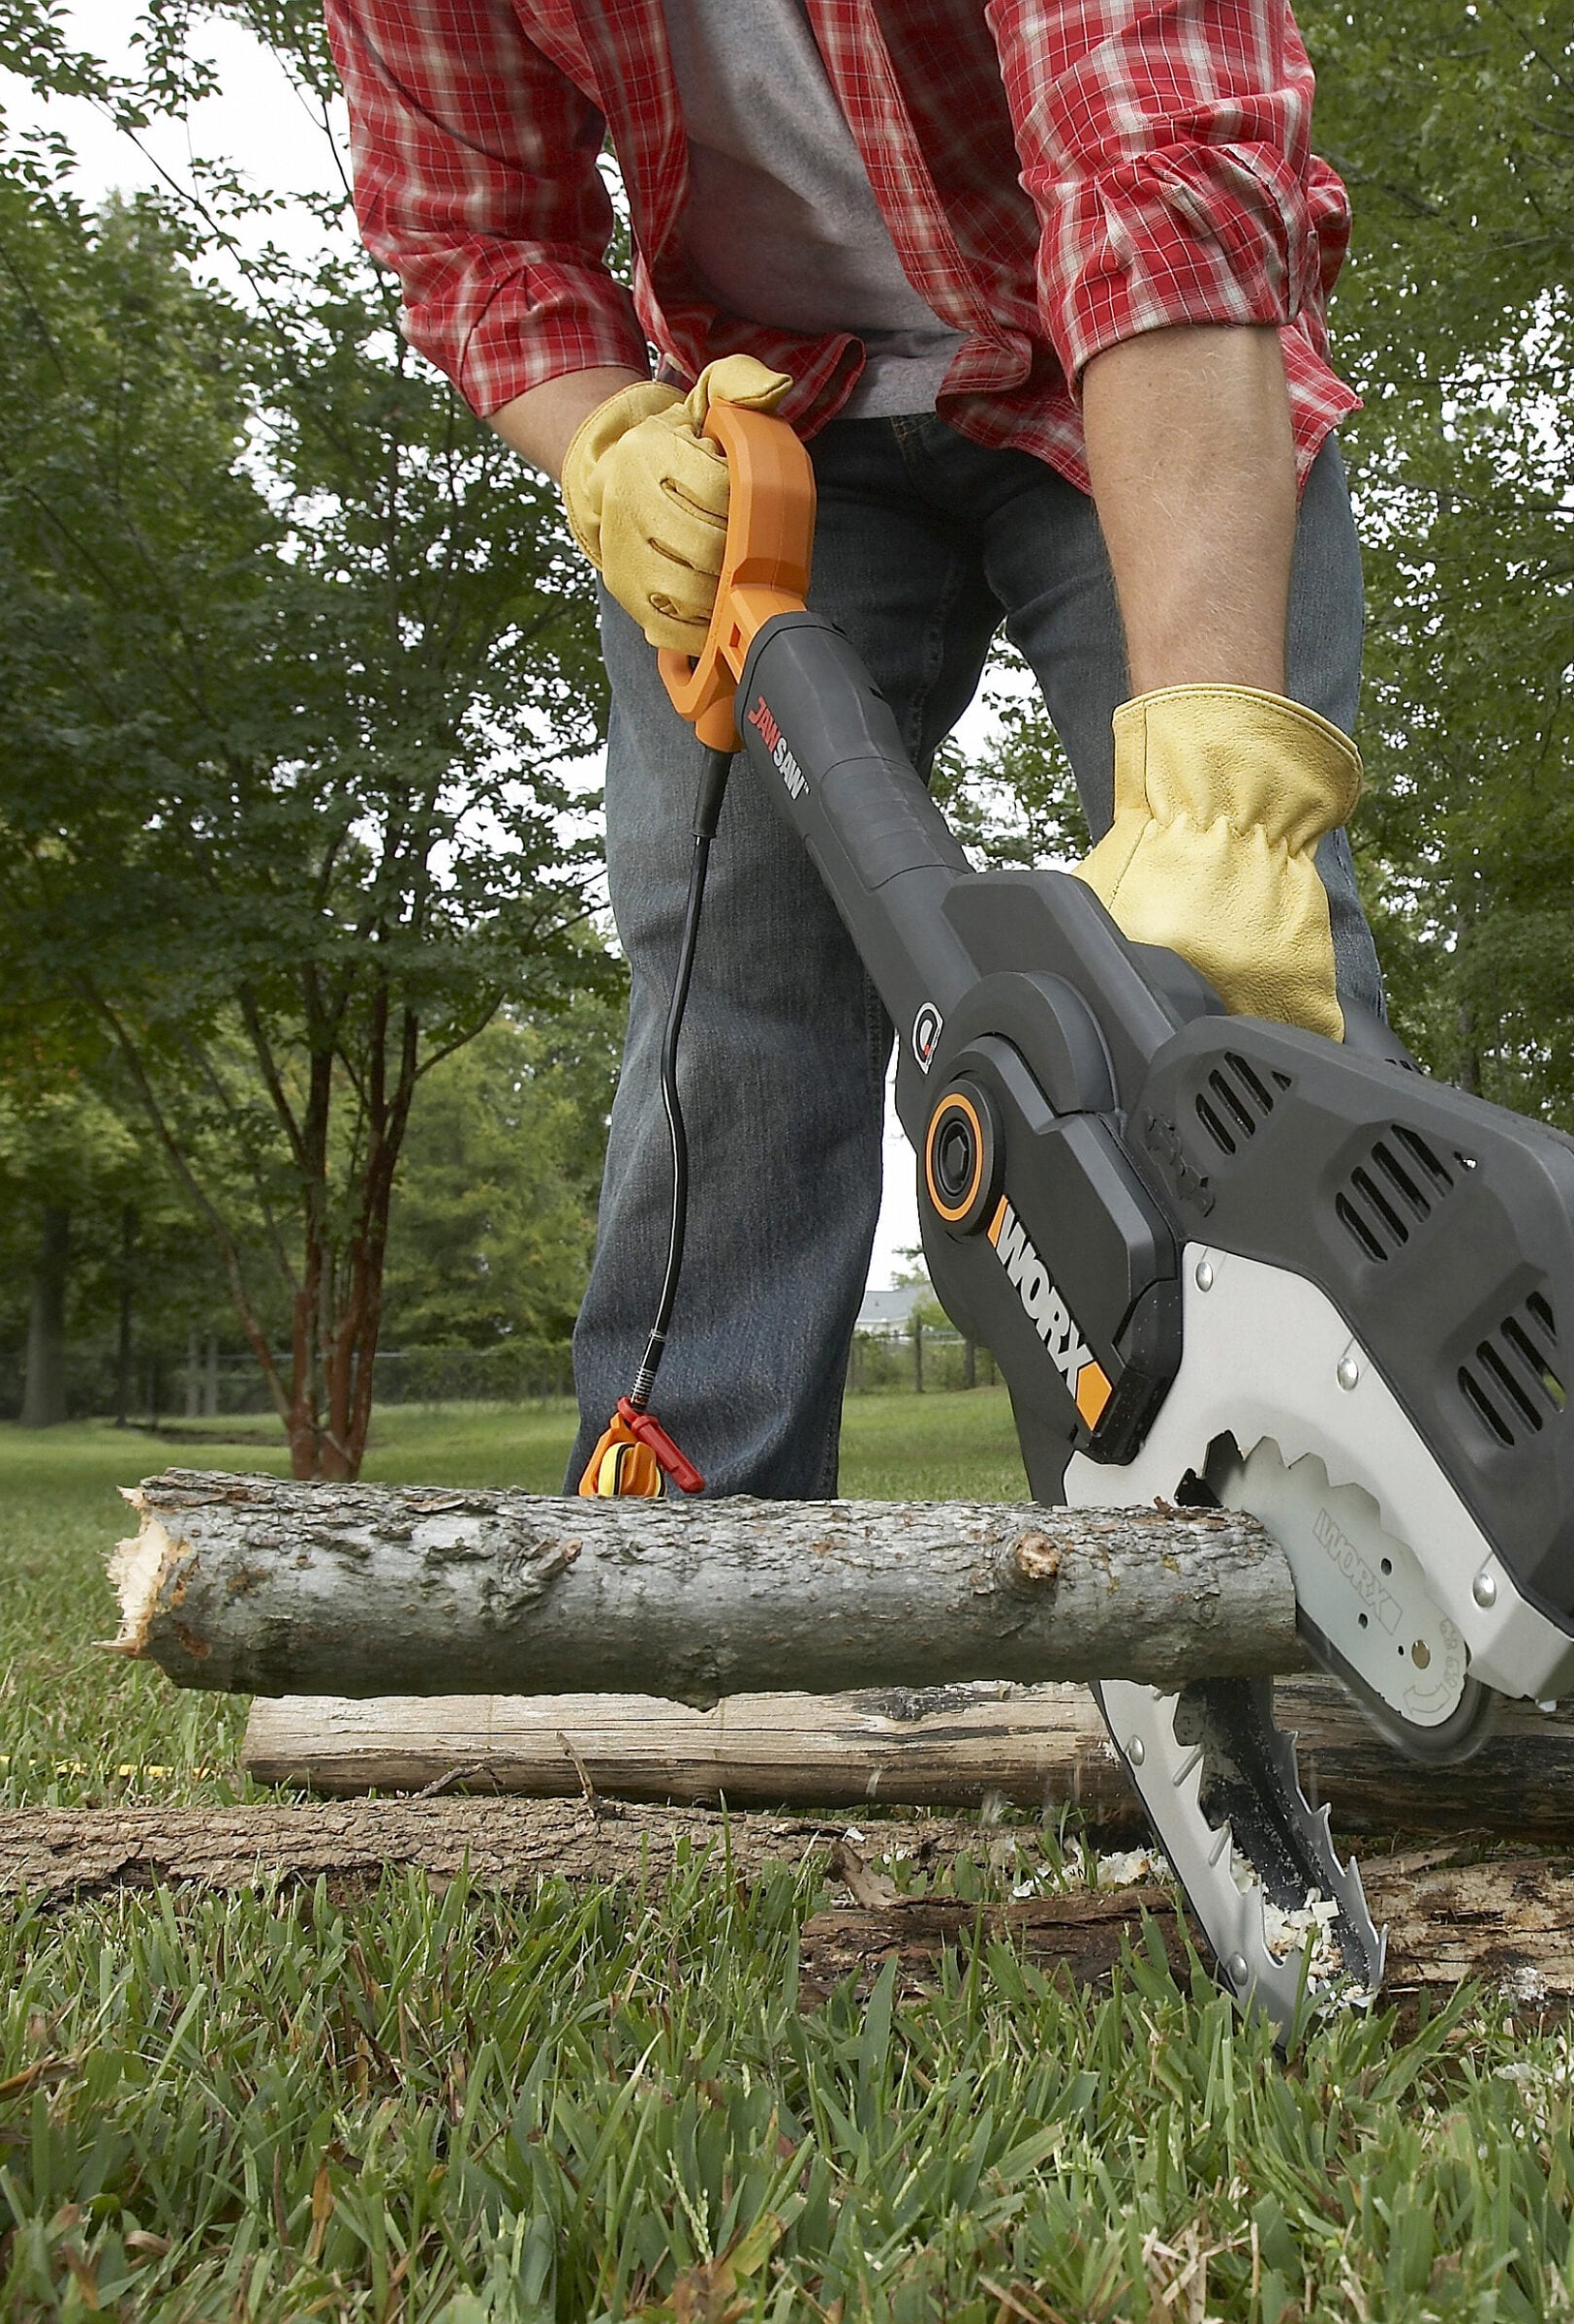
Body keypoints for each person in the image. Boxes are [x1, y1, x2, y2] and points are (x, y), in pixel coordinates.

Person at [323, 0, 1386, 1494]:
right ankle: (687, 1559)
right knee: (731, 979)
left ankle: (1364, 1471)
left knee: (1248, 932)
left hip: (1132, 350)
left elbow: (1160, 143)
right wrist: (610, 445)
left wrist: (1218, 788)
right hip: (762, 417)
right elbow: (471, 239)